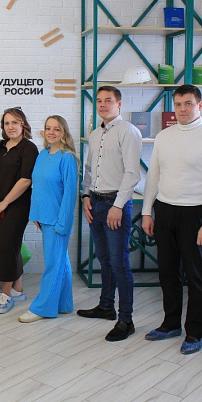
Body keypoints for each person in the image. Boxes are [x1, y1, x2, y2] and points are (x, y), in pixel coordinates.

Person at [142, 84, 202, 355]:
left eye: (188, 104)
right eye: (178, 104)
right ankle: (170, 324)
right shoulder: (164, 136)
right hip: (165, 210)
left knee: (196, 276)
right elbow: (153, 176)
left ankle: (194, 332)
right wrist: (147, 211)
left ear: (199, 106)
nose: (182, 109)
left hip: (195, 213)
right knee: (167, 272)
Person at [78, 85, 142, 342]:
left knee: (119, 263)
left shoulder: (128, 131)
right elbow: (89, 169)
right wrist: (85, 196)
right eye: (99, 101)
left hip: (116, 204)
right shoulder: (95, 134)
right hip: (95, 202)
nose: (103, 105)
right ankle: (106, 306)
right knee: (104, 260)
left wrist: (118, 205)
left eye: (108, 100)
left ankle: (126, 320)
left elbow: (132, 174)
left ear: (119, 104)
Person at [19, 116, 78, 323]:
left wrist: (63, 223)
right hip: (43, 217)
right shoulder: (43, 154)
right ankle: (63, 304)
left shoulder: (67, 158)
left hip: (57, 220)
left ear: (64, 133)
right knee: (61, 261)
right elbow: (39, 186)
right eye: (48, 128)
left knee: (53, 264)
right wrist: (36, 214)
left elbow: (70, 194)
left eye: (57, 129)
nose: (51, 132)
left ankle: (42, 307)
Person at [0, 107, 38, 314]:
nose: (11, 127)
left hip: (17, 206)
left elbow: (25, 180)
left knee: (6, 247)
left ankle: (5, 294)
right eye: (7, 123)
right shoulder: (0, 146)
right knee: (10, 246)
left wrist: (4, 203)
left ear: (23, 124)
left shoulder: (29, 148)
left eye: (15, 122)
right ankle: (17, 290)